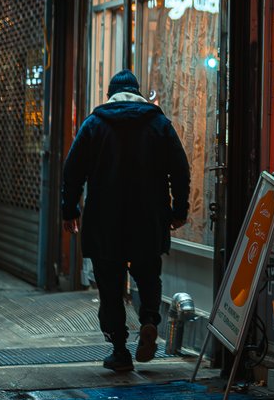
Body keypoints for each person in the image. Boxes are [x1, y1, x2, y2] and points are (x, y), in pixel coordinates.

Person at [61, 69, 190, 373]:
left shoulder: (94, 124)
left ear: (110, 95)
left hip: (106, 221)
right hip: (148, 218)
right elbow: (180, 170)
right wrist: (178, 211)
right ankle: (148, 321)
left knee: (109, 285)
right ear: (138, 92)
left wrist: (70, 209)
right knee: (148, 276)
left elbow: (72, 170)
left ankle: (120, 350)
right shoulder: (158, 123)